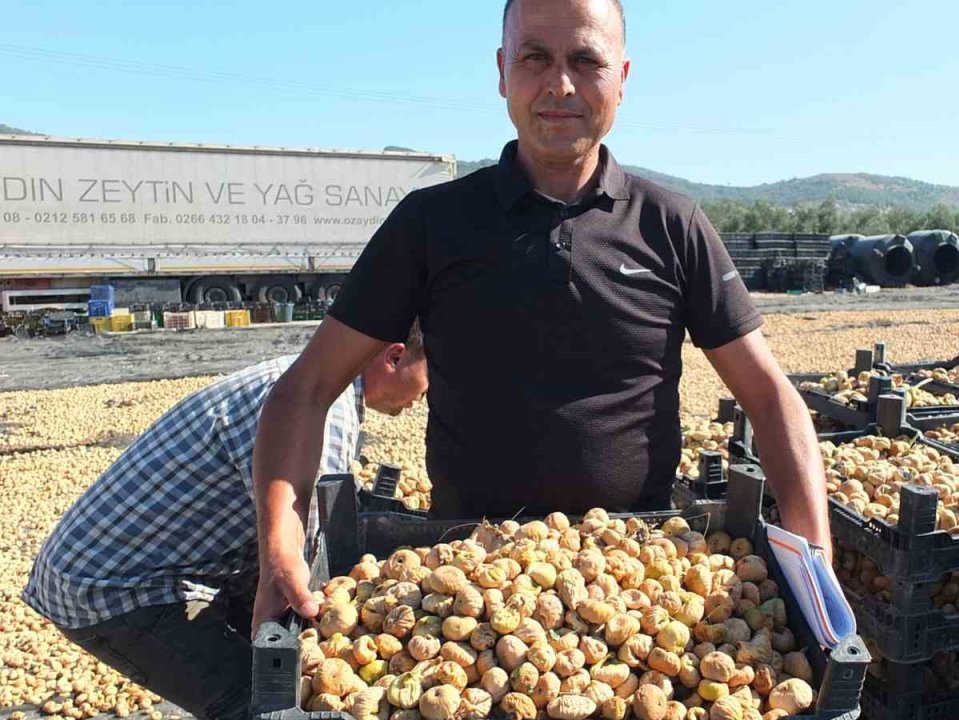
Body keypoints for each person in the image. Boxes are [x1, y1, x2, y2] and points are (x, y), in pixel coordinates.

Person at [252, 0, 832, 639]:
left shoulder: (672, 225)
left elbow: (770, 396)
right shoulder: (430, 224)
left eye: (586, 60)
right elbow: (305, 391)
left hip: (639, 588)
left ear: (623, 79)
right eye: (535, 58)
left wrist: (816, 564)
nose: (560, 84)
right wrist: (279, 550)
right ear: (503, 71)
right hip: (471, 592)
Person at [22, 324, 427, 720]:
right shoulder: (320, 414)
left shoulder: (310, 383)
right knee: (253, 700)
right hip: (111, 584)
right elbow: (306, 554)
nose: (426, 396)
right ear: (394, 356)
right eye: (432, 375)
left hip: (145, 562)